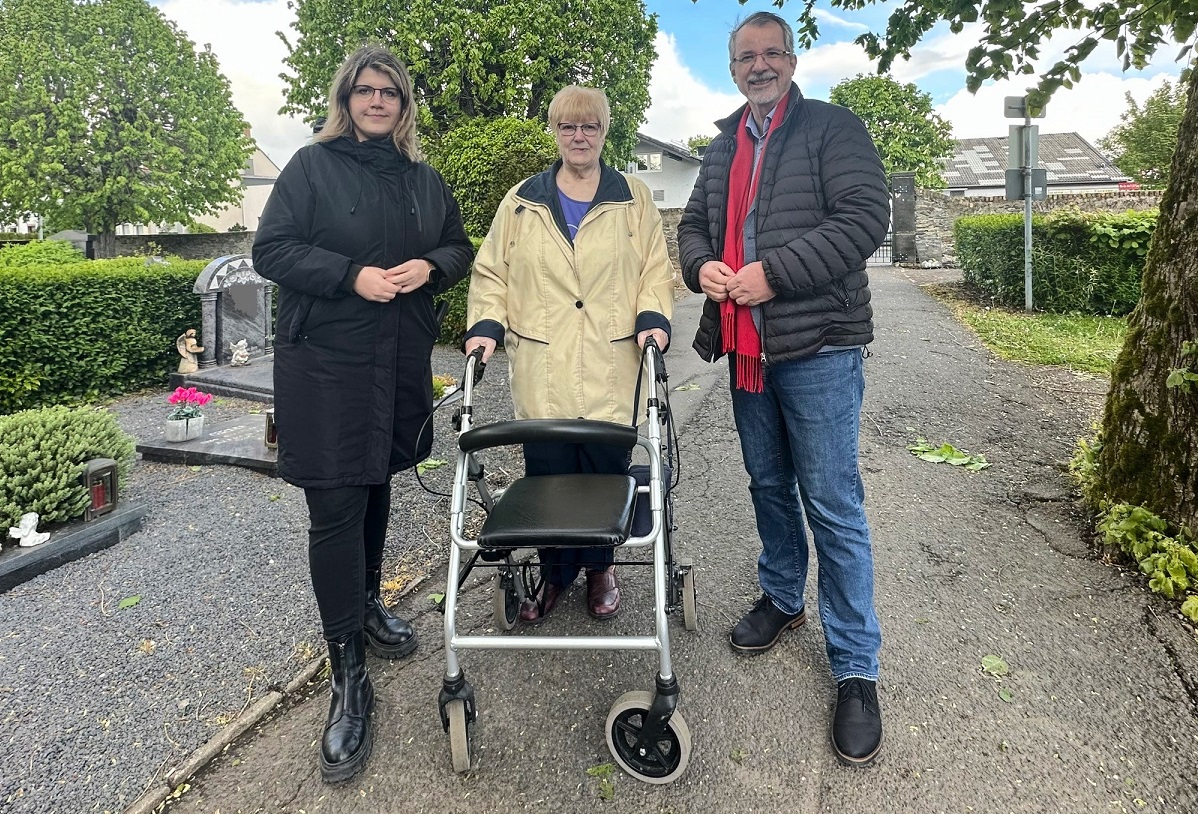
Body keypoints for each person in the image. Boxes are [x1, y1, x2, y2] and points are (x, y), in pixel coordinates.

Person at [252, 45, 473, 783]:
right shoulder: (311, 169)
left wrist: (430, 267)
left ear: (404, 106)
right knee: (336, 504)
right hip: (327, 364)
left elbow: (457, 245)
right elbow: (271, 249)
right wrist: (352, 275)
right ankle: (347, 669)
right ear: (344, 99)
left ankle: (369, 604)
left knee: (376, 481)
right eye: (364, 91)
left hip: (396, 359)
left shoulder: (422, 180)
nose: (377, 101)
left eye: (390, 93)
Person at [676, 12, 891, 766]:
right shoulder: (721, 143)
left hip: (819, 347)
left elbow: (865, 219)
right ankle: (782, 595)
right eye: (746, 56)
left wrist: (773, 275)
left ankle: (857, 668)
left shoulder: (834, 129)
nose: (759, 65)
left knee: (832, 501)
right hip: (745, 351)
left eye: (771, 53)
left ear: (792, 61)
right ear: (732, 68)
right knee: (767, 482)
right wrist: (701, 267)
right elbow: (695, 229)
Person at [464, 85, 674, 625]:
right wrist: (486, 326)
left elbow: (654, 267)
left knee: (605, 470)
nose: (579, 136)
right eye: (567, 126)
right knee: (549, 474)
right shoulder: (522, 201)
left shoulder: (634, 199)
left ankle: (601, 569)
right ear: (555, 132)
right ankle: (556, 574)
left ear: (605, 132)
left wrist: (653, 318)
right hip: (545, 363)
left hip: (611, 361)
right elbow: (492, 271)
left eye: (590, 126)